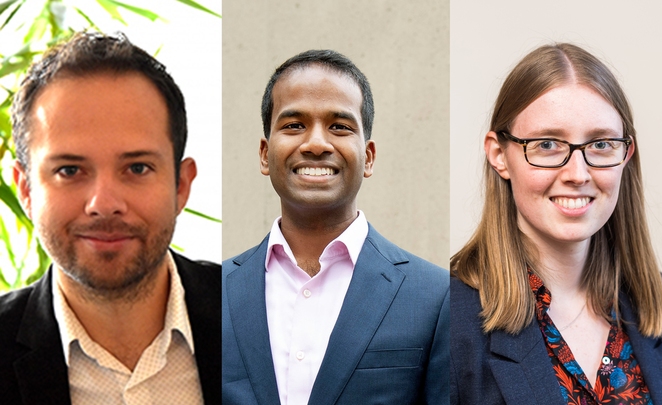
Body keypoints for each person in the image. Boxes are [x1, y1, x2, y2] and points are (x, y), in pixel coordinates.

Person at [0, 32, 221, 404]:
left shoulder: (277, 326)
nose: (104, 203)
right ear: (25, 189)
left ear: (181, 185)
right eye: (69, 170)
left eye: (136, 167)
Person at [221, 49, 449, 405]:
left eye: (339, 127)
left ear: (368, 157)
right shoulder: (211, 295)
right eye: (294, 125)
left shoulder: (436, 298)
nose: (315, 144)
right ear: (265, 154)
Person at [450, 43, 662, 405]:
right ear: (498, 155)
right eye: (548, 144)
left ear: (625, 155)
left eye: (600, 144)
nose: (577, 174)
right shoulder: (447, 319)